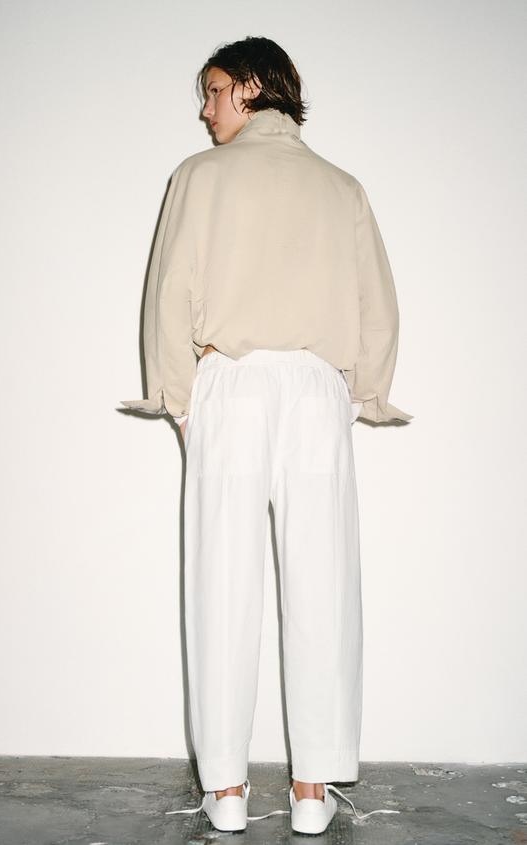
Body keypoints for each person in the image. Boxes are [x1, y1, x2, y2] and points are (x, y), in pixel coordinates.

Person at [121, 35, 411, 835]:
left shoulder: (199, 176)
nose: (205, 108)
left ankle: (225, 790)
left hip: (231, 380)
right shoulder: (341, 187)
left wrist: (179, 399)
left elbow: (169, 291)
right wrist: (358, 391)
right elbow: (377, 304)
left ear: (252, 87)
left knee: (221, 582)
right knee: (323, 584)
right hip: (316, 386)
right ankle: (312, 790)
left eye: (214, 90)